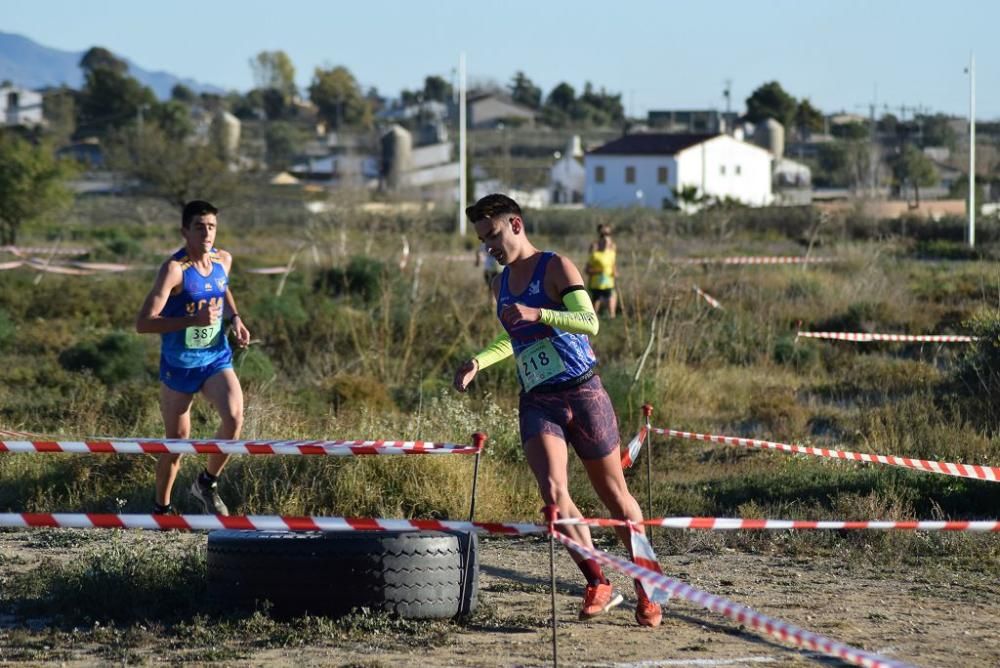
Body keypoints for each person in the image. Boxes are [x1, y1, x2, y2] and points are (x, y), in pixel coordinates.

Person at [453, 194, 661, 627]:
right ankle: (598, 582)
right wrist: (479, 361)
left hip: (583, 393)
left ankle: (647, 585)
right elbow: (517, 338)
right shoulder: (499, 284)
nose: (488, 246)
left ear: (516, 225)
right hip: (538, 399)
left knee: (615, 497)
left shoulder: (557, 266)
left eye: (492, 234)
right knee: (553, 492)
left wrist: (540, 310)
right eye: (481, 239)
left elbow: (590, 322)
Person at [136, 200, 251, 516]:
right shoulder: (174, 270)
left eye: (212, 226)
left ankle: (206, 482)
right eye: (199, 227)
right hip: (179, 365)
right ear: (185, 231)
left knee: (234, 418)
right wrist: (191, 320)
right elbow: (143, 323)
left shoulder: (223, 260)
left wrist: (235, 318)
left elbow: (222, 289)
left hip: (215, 358)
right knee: (177, 442)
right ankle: (162, 508)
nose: (207, 233)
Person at [586, 223, 617, 318]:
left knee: (612, 296)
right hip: (596, 281)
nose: (606, 235)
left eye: (608, 233)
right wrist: (596, 271)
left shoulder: (612, 247)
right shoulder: (594, 247)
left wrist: (615, 271)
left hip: (609, 281)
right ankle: (593, 319)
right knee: (596, 299)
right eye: (603, 233)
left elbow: (612, 262)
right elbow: (589, 265)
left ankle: (612, 317)